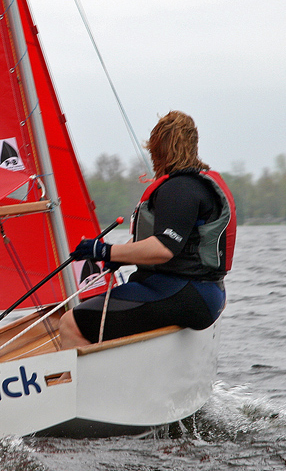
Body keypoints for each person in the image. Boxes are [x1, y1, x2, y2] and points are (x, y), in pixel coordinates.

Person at [58, 110, 236, 348]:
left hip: (184, 293)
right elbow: (170, 241)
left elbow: (164, 248)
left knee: (72, 323)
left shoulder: (178, 189)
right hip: (208, 294)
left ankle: (100, 384)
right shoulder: (198, 185)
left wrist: (104, 251)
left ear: (159, 149)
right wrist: (121, 256)